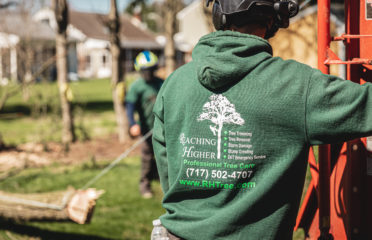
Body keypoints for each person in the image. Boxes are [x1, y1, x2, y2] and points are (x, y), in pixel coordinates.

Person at [152, 0, 372, 239]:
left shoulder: (173, 83)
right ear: (274, 19)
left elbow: (168, 171)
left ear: (219, 15)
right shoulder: (297, 86)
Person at [125, 50, 163, 198]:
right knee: (147, 157)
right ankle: (145, 185)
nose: (148, 73)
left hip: (161, 128)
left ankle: (162, 180)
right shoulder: (137, 87)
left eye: (150, 70)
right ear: (140, 71)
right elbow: (129, 107)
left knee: (162, 156)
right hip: (146, 128)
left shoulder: (161, 83)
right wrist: (133, 124)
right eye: (144, 70)